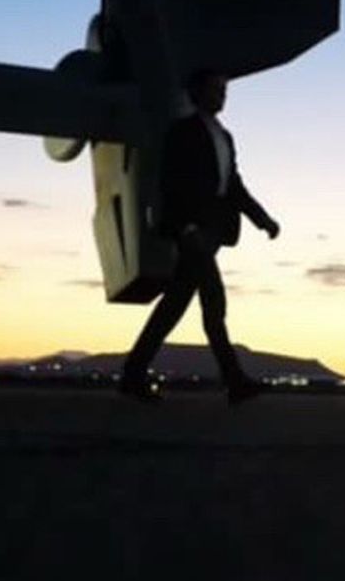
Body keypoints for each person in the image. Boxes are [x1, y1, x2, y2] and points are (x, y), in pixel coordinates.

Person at [119, 69, 283, 405]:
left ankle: (133, 374)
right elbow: (172, 183)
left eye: (224, 90)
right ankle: (234, 381)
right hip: (194, 233)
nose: (223, 95)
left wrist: (262, 219)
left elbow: (232, 185)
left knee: (174, 306)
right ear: (198, 93)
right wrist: (186, 227)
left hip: (212, 232)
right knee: (213, 303)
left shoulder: (225, 137)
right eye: (216, 89)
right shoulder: (182, 133)